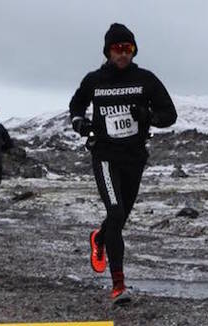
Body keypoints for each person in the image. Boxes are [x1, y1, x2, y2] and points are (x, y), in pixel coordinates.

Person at [69, 23, 177, 304]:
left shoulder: (145, 79)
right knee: (115, 213)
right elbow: (76, 105)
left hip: (134, 157)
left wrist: (147, 115)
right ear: (108, 51)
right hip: (104, 155)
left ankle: (100, 237)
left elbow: (169, 114)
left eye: (128, 49)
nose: (123, 54)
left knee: (120, 218)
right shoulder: (94, 80)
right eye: (118, 49)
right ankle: (119, 286)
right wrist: (79, 122)